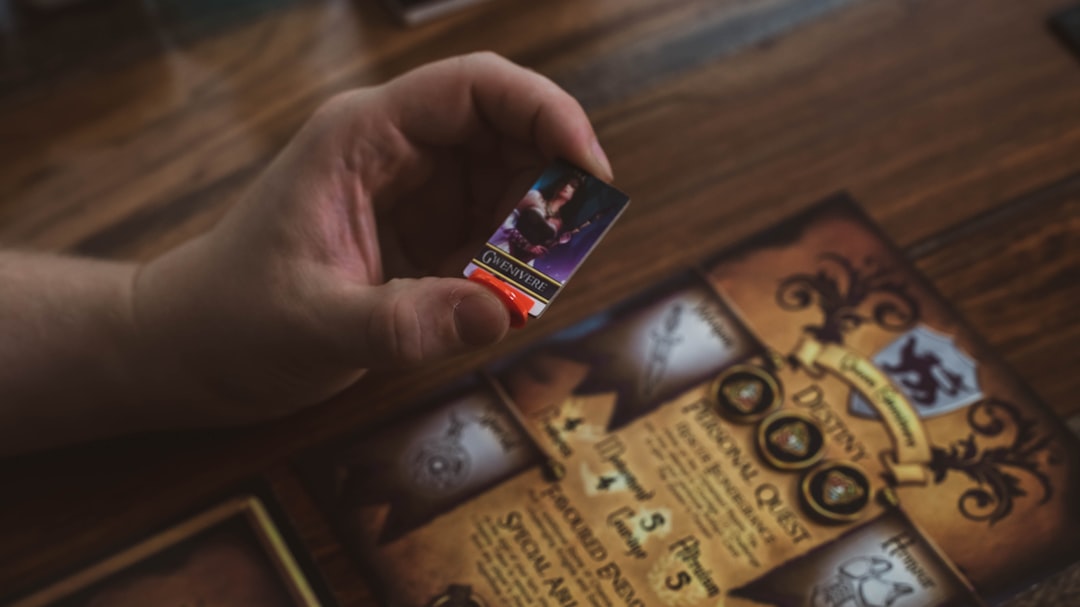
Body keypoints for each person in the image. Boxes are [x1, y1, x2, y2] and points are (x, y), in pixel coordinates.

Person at [0, 52, 614, 456]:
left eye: (566, 192)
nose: (563, 191)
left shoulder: (547, 216)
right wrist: (152, 328)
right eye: (560, 189)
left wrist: (153, 327)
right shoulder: (531, 213)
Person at [490, 170, 586, 265]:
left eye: (573, 186)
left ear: (576, 195)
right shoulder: (534, 196)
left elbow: (543, 247)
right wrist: (526, 245)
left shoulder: (559, 223)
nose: (567, 186)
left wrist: (558, 242)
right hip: (503, 247)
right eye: (565, 182)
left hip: (523, 262)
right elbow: (506, 220)